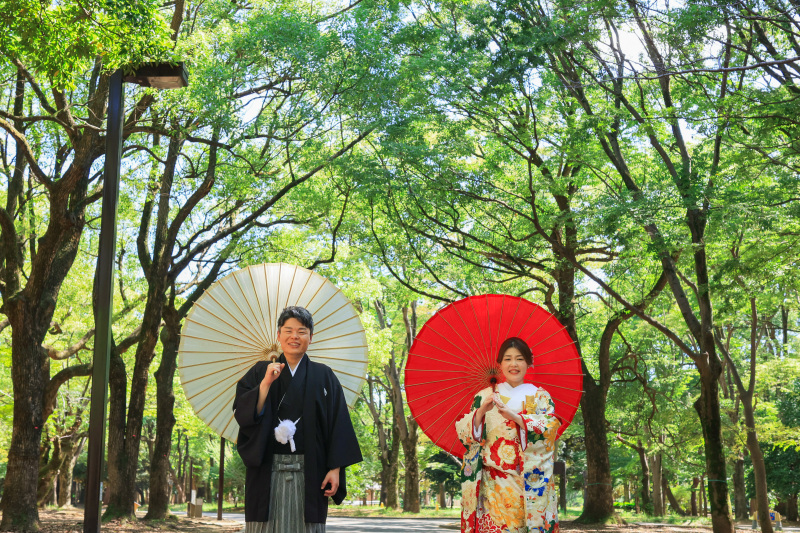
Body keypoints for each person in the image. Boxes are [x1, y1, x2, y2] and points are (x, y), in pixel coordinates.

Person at [233, 306, 362, 533]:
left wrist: (335, 469)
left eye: (302, 331)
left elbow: (338, 423)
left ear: (311, 337)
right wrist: (265, 384)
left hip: (311, 471)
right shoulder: (260, 371)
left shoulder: (324, 375)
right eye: (288, 330)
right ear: (279, 335)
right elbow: (244, 416)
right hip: (267, 470)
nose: (295, 336)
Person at [455, 337, 561, 533]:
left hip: (529, 480)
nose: (514, 364)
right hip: (493, 484)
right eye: (508, 359)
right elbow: (466, 437)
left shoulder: (540, 396)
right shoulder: (484, 396)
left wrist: (517, 418)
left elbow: (550, 429)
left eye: (520, 359)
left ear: (529, 362)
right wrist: (480, 412)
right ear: (500, 363)